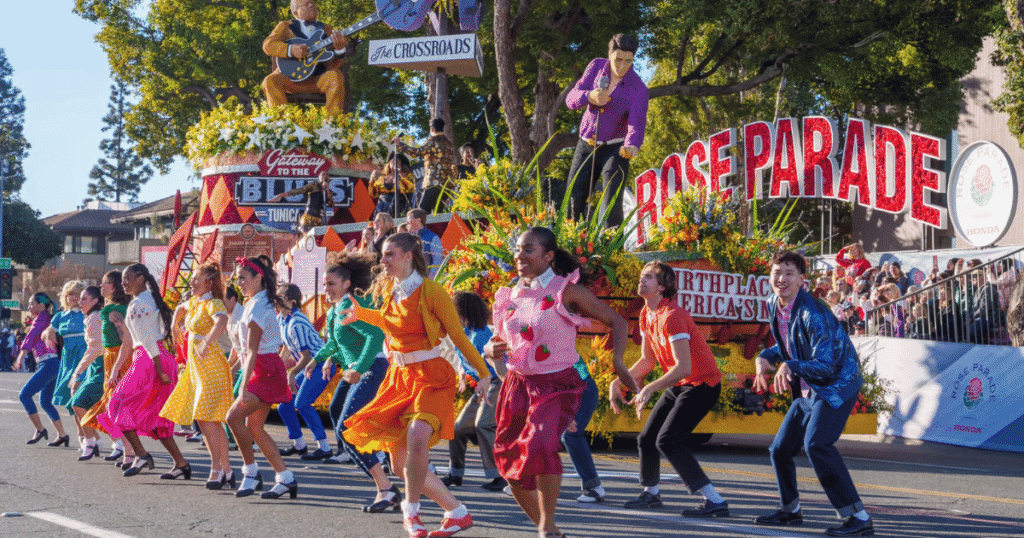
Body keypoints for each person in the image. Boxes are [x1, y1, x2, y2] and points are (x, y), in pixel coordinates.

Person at [485, 227, 642, 538]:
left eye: (528, 249)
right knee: (508, 465)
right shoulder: (508, 295)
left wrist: (619, 362)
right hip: (517, 385)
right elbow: (499, 344)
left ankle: (551, 522)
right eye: (518, 249)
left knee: (543, 444)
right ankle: (549, 530)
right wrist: (491, 351)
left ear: (548, 256)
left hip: (558, 384)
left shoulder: (566, 291)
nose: (519, 256)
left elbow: (617, 321)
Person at [340, 232, 490, 538]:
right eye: (383, 254)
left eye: (389, 254)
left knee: (417, 436)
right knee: (399, 466)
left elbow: (458, 337)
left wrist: (484, 373)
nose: (383, 260)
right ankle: (456, 513)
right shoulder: (392, 291)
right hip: (399, 378)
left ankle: (411, 511)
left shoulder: (432, 291)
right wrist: (361, 314)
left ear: (408, 256)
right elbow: (391, 322)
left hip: (431, 376)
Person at [753, 251, 873, 537]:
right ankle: (791, 510)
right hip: (810, 385)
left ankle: (858, 517)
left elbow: (826, 363)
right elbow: (790, 345)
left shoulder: (813, 313)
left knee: (817, 445)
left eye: (789, 274)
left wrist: (791, 366)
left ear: (802, 281)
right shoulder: (774, 304)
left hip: (836, 384)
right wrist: (764, 357)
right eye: (777, 273)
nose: (782, 279)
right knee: (780, 449)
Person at [612, 261, 728, 516]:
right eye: (642, 276)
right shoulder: (646, 314)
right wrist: (617, 382)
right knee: (646, 439)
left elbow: (684, 367)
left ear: (662, 287)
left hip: (703, 384)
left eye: (649, 277)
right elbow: (647, 360)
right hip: (681, 383)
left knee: (668, 441)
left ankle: (715, 501)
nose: (642, 280)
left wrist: (649, 389)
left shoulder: (673, 316)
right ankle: (651, 494)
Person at [314, 251, 398, 510]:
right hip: (358, 370)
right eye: (324, 284)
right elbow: (337, 343)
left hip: (372, 368)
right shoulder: (338, 307)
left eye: (331, 284)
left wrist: (359, 368)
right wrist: (316, 361)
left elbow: (375, 336)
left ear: (347, 284)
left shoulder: (350, 305)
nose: (326, 289)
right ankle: (387, 463)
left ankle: (387, 487)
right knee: (338, 413)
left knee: (346, 429)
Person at [98, 264, 191, 479]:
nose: (123, 283)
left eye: (127, 278)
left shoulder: (138, 304)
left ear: (141, 279)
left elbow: (148, 339)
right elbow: (136, 341)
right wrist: (117, 369)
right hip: (159, 357)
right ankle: (181, 463)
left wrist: (159, 369)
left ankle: (141, 455)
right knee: (156, 416)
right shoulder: (151, 299)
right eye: (122, 279)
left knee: (117, 404)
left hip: (150, 359)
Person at [225, 256, 299, 500]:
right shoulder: (256, 301)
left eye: (243, 278)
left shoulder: (258, 306)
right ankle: (285, 478)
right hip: (263, 366)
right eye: (237, 278)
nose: (239, 283)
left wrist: (243, 386)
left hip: (264, 368)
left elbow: (253, 351)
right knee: (254, 428)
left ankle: (251, 473)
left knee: (233, 417)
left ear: (258, 277)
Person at [159, 263, 235, 488]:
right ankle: (227, 470)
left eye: (195, 279)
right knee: (208, 421)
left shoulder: (214, 303)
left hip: (211, 367)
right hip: (196, 369)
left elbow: (222, 321)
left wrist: (206, 342)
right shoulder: (195, 302)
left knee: (206, 418)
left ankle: (217, 469)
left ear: (209, 283)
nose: (191, 283)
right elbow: (181, 307)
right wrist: (174, 325)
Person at [564, 34, 649, 228]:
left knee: (612, 202)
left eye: (628, 61)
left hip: (616, 149)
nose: (622, 66)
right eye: (618, 59)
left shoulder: (639, 89)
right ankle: (570, 240)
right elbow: (570, 99)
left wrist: (632, 145)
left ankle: (611, 243)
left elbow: (636, 124)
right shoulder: (596, 66)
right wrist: (589, 96)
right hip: (586, 144)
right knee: (573, 199)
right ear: (609, 55)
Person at [440, 291, 507, 492]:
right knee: (458, 428)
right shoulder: (463, 333)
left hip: (496, 382)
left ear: (464, 312)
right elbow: (465, 358)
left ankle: (499, 475)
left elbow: (491, 362)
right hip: (482, 384)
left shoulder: (481, 335)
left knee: (484, 425)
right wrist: (462, 375)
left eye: (453, 311)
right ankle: (455, 473)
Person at [275, 283, 333, 460]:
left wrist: (291, 373)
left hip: (321, 364)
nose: (276, 299)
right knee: (284, 405)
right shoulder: (282, 319)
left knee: (302, 403)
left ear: (291, 301)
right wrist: (278, 368)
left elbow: (306, 357)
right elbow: (287, 347)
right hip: (310, 365)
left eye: (280, 296)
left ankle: (324, 447)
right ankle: (299, 445)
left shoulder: (296, 322)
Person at [81, 271, 133, 463]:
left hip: (119, 358)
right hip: (111, 359)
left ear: (115, 286)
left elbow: (127, 341)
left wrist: (116, 367)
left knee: (117, 407)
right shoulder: (110, 309)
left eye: (106, 283)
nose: (101, 286)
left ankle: (130, 453)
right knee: (115, 408)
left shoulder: (115, 311)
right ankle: (128, 452)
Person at [262, 0, 348, 112]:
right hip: (291, 79)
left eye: (312, 2)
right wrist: (290, 50)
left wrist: (340, 50)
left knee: (336, 76)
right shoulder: (285, 26)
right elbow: (268, 45)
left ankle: (333, 120)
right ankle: (281, 120)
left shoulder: (327, 29)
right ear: (295, 12)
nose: (312, 5)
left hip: (318, 80)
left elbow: (335, 64)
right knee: (270, 81)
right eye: (306, 4)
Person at [14, 293, 68, 445]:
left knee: (24, 395)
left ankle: (40, 429)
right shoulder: (47, 318)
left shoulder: (41, 319)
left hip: (49, 364)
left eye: (31, 303)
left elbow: (30, 337)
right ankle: (62, 435)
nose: (29, 307)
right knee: (45, 402)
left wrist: (21, 356)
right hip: (53, 364)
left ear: (41, 305)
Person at [67, 286, 107, 460]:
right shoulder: (92, 317)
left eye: (84, 299)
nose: (80, 302)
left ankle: (91, 442)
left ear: (95, 301)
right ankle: (115, 443)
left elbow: (95, 348)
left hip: (100, 366)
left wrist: (77, 372)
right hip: (96, 366)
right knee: (98, 408)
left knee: (78, 403)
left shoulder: (95, 317)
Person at [47, 281, 87, 450]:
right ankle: (83, 436)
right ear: (65, 296)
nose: (74, 297)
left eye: (77, 294)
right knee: (72, 401)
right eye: (70, 294)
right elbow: (48, 330)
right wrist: (49, 332)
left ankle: (93, 437)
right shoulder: (60, 316)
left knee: (81, 398)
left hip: (84, 359)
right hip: (68, 361)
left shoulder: (87, 313)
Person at [394, 118, 458, 213]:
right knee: (438, 212)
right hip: (447, 184)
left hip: (434, 183)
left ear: (431, 129)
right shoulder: (449, 143)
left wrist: (400, 144)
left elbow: (417, 152)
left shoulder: (433, 141)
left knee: (422, 211)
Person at [269, 170, 335, 232]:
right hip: (309, 217)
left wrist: (327, 189)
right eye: (323, 174)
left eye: (327, 175)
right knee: (307, 236)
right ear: (319, 177)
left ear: (329, 178)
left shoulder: (329, 191)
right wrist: (279, 195)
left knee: (318, 237)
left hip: (319, 219)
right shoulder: (314, 185)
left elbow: (331, 204)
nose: (325, 176)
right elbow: (298, 191)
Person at [406, 209, 443, 277]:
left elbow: (437, 262)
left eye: (409, 219)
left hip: (425, 279)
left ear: (418, 220)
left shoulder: (433, 238)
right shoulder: (406, 238)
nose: (407, 223)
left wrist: (429, 279)